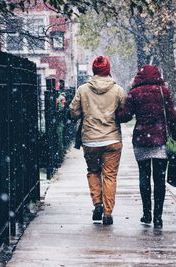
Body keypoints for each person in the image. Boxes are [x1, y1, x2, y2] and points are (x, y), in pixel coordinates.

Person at [117, 65, 176, 229]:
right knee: (159, 180)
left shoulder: (134, 93)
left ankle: (146, 214)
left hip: (141, 139)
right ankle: (158, 217)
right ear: (157, 75)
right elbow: (172, 116)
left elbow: (125, 116)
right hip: (160, 140)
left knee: (144, 177)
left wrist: (115, 112)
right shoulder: (163, 91)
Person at [69, 56, 125, 225]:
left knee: (93, 171)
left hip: (90, 141)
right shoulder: (118, 90)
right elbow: (124, 113)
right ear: (108, 70)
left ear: (94, 70)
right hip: (112, 139)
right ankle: (108, 213)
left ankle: (97, 204)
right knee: (110, 176)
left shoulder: (83, 89)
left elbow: (73, 113)